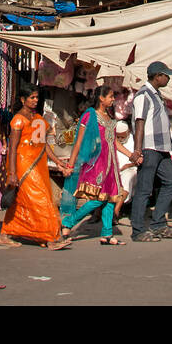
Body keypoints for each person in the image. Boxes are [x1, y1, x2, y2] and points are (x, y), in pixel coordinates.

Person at [0, 85, 72, 249]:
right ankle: (51, 237)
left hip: (39, 164)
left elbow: (43, 145)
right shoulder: (18, 119)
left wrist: (58, 162)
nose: (35, 100)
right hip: (24, 165)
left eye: (37, 97)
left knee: (23, 201)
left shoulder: (38, 117)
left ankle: (4, 233)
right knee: (42, 199)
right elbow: (13, 147)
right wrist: (12, 173)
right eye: (32, 97)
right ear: (23, 100)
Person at [60, 85, 125, 244]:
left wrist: (132, 155)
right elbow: (78, 142)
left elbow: (113, 142)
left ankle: (107, 234)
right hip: (98, 164)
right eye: (110, 96)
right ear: (101, 99)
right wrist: (71, 165)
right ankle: (69, 221)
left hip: (111, 164)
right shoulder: (90, 116)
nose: (113, 99)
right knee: (99, 199)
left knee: (111, 198)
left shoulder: (109, 117)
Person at [129, 61, 172, 242]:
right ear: (157, 76)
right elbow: (139, 123)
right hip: (150, 147)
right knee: (144, 189)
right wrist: (138, 150)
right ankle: (138, 230)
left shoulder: (156, 95)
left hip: (162, 148)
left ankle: (158, 223)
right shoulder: (143, 95)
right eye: (166, 75)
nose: (167, 78)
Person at [113, 119, 137, 221]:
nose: (120, 139)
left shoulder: (134, 140)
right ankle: (98, 212)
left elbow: (140, 159)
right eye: (118, 137)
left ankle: (116, 211)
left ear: (128, 133)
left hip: (131, 168)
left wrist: (127, 165)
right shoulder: (113, 140)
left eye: (122, 137)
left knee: (127, 178)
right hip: (116, 169)